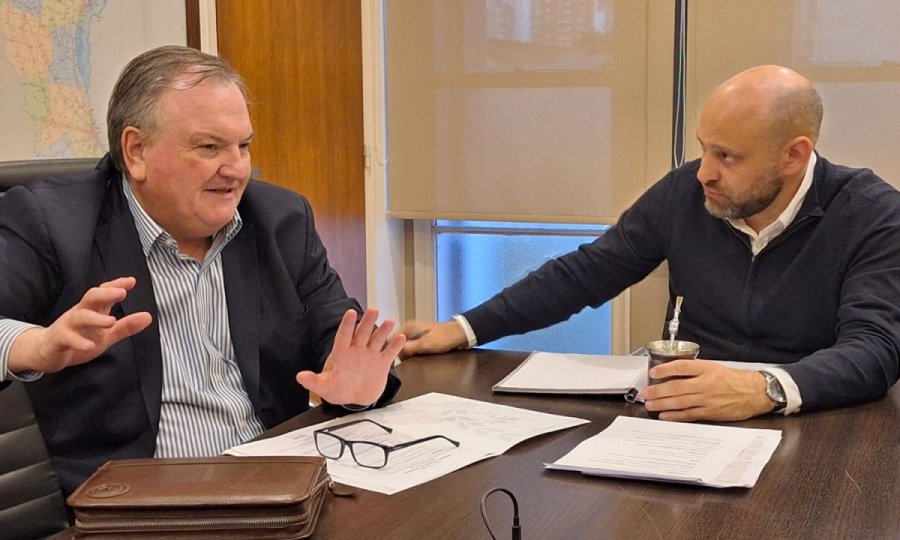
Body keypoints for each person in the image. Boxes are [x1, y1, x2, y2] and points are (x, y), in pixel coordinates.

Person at [0, 45, 405, 495]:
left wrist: (358, 386)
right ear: (136, 151)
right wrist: (36, 346)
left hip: (276, 489)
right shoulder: (52, 222)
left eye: (243, 146)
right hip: (134, 504)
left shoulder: (281, 219)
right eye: (209, 147)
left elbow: (340, 336)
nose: (236, 169)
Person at [401, 65, 900, 423]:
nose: (704, 173)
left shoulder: (872, 214)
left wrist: (763, 389)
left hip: (814, 418)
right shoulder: (687, 191)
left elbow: (875, 349)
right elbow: (587, 272)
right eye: (704, 148)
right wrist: (463, 328)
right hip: (685, 418)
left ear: (794, 156)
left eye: (727, 156)